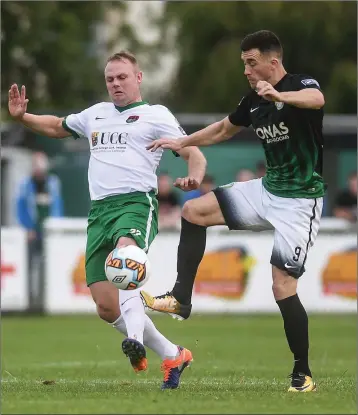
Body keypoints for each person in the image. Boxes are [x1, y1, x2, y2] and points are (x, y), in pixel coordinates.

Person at [8, 50, 207, 390]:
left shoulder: (154, 115)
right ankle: (173, 354)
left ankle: (135, 341)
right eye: (110, 79)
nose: (115, 84)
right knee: (104, 304)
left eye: (122, 77)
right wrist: (23, 118)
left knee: (125, 261)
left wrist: (194, 177)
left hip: (135, 204)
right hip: (99, 211)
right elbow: (58, 126)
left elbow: (193, 151)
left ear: (138, 78)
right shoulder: (96, 115)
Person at [141, 30, 326, 392]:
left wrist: (280, 94)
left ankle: (302, 373)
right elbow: (224, 129)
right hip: (267, 190)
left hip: (300, 202)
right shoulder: (253, 101)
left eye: (251, 63)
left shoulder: (298, 85)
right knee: (194, 212)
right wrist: (183, 141)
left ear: (273, 62)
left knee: (282, 286)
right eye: (244, 64)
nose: (247, 70)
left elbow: (316, 98)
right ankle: (180, 299)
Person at [16, 151, 64, 308]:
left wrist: (56, 226)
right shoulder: (25, 184)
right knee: (29, 264)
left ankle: (47, 299)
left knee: (49, 265)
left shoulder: (53, 183)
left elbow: (57, 205)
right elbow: (20, 208)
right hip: (32, 232)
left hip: (49, 232)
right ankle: (30, 300)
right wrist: (28, 228)